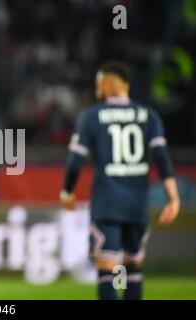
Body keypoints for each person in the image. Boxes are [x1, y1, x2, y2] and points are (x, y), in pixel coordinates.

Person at [60, 61, 180, 300]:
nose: (96, 89)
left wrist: (67, 191)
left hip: (107, 202)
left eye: (98, 83)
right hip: (136, 204)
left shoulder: (92, 117)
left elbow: (75, 161)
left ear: (106, 83)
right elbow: (162, 159)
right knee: (130, 266)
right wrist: (173, 198)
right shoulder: (149, 116)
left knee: (108, 266)